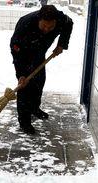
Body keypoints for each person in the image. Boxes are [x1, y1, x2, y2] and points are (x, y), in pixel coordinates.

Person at [10, 5, 73, 134]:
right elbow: (15, 49)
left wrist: (62, 44)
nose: (47, 30)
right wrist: (21, 74)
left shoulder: (61, 19)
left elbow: (69, 23)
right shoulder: (25, 24)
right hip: (24, 53)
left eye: (51, 27)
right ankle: (24, 121)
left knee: (39, 82)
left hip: (40, 51)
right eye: (44, 26)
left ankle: (34, 108)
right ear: (39, 20)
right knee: (25, 87)